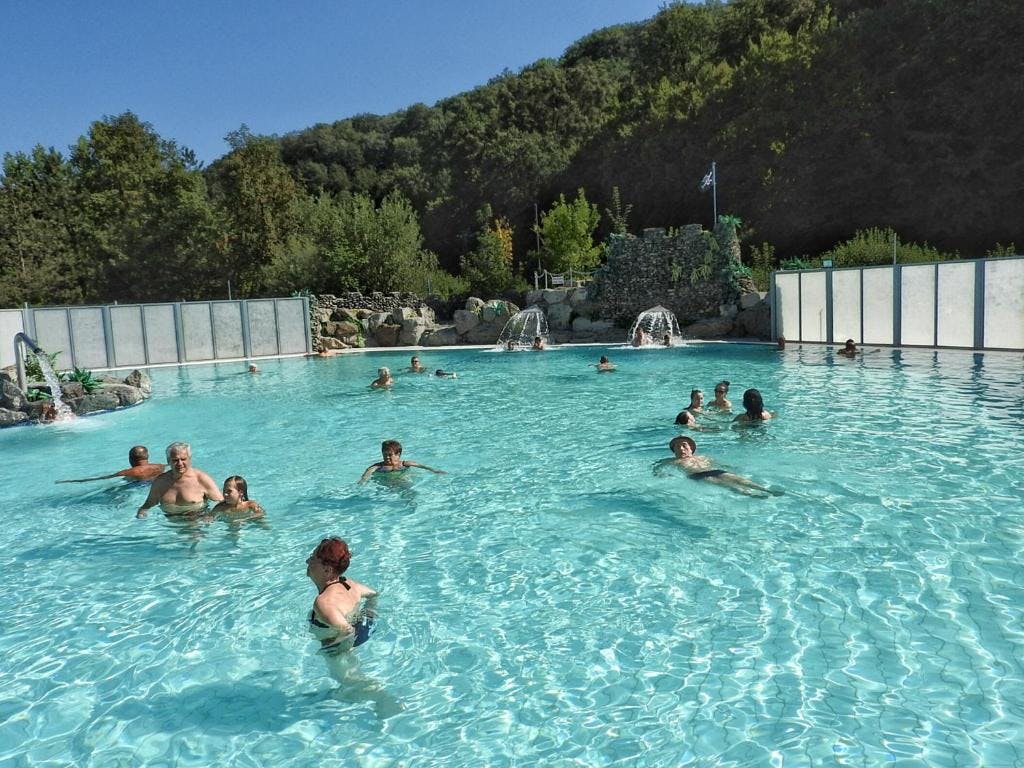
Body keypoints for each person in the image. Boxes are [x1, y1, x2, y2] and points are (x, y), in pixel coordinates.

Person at [307, 537, 378, 654]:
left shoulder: (324, 602)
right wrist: (368, 616)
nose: (307, 561)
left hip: (340, 654)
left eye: (312, 558)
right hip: (353, 640)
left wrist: (330, 651)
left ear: (327, 570)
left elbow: (348, 631)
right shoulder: (349, 584)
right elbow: (374, 595)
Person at [655, 436, 777, 497]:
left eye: (684, 445)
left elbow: (720, 464)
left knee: (737, 479)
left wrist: (732, 468)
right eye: (677, 447)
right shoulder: (672, 461)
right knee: (727, 485)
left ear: (691, 448)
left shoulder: (703, 457)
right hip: (697, 476)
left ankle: (766, 490)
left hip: (714, 471)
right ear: (674, 451)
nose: (681, 449)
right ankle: (751, 495)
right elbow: (657, 467)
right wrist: (661, 474)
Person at [136, 442, 223, 518]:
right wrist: (141, 514)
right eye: (175, 460)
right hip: (170, 525)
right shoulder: (160, 482)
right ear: (168, 461)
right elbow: (148, 504)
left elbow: (222, 502)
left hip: (196, 523)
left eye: (183, 459)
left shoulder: (201, 479)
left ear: (189, 459)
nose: (180, 463)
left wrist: (211, 516)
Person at [57, 445, 167, 484]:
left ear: (130, 459)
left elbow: (101, 478)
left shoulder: (127, 472)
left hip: (135, 486)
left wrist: (73, 481)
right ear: (147, 456)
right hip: (155, 484)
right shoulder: (160, 466)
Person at [359, 440, 446, 484]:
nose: (387, 457)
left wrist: (434, 470)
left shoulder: (404, 464)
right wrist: (363, 480)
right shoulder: (378, 466)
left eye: (390, 455)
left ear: (398, 454)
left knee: (406, 487)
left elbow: (421, 466)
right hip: (387, 482)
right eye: (385, 454)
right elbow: (368, 472)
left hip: (402, 479)